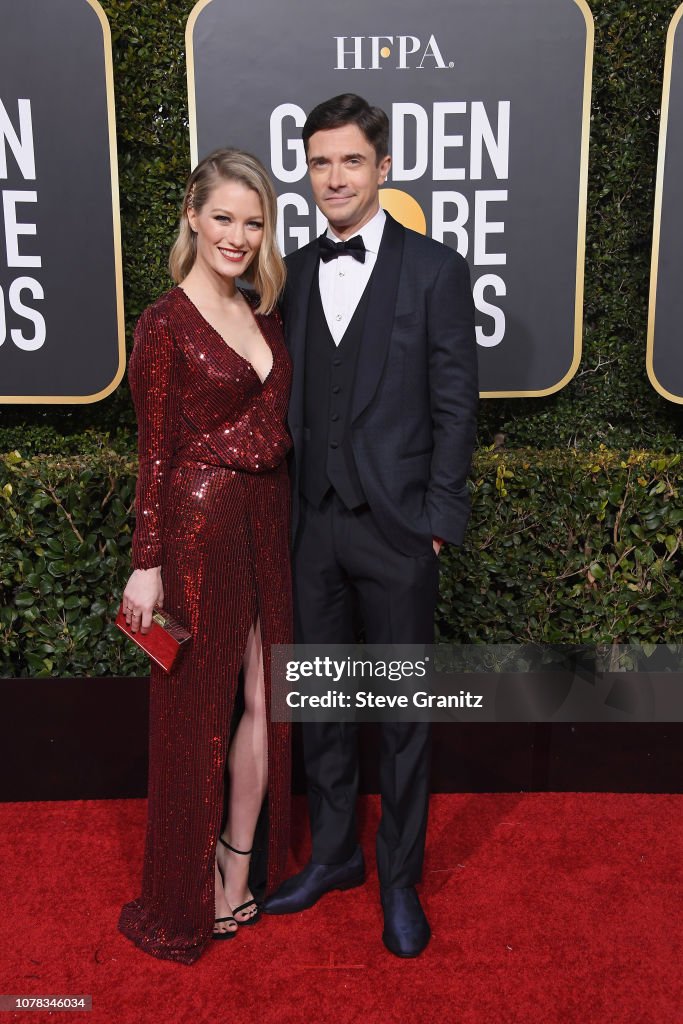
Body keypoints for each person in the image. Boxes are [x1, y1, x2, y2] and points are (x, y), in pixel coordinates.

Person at [263, 94, 478, 958]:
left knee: (400, 715)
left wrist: (435, 520)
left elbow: (457, 405)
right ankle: (334, 858)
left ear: (383, 169)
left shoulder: (434, 269)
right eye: (319, 163)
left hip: (396, 531)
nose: (334, 178)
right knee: (320, 704)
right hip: (312, 524)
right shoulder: (294, 271)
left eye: (350, 161)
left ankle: (399, 881)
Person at [118, 149, 292, 964]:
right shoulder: (164, 322)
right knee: (196, 717)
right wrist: (145, 561)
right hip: (194, 533)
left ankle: (236, 861)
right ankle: (181, 893)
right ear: (192, 216)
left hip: (266, 522)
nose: (237, 235)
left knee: (264, 700)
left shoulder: (263, 316)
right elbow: (153, 454)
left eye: (252, 222)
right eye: (223, 217)